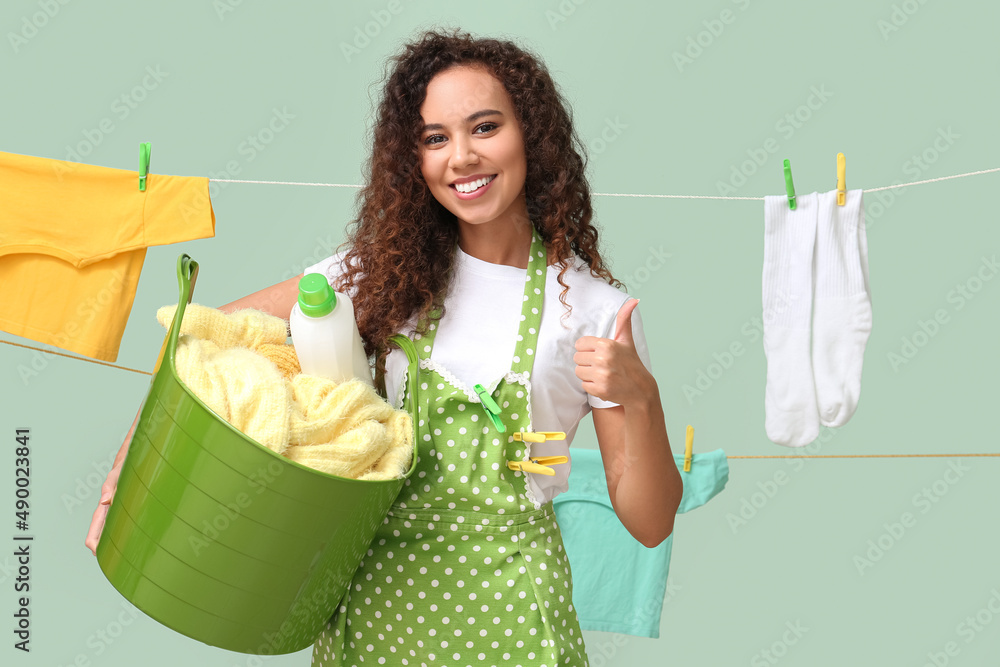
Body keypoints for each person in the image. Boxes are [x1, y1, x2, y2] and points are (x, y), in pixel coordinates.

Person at [86, 27, 682, 666]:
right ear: (412, 160)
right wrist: (124, 475)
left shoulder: (594, 312)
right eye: (434, 139)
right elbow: (201, 339)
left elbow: (651, 524)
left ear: (531, 135)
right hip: (368, 613)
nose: (461, 157)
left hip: (512, 624)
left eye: (485, 127)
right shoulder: (376, 275)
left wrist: (640, 400)